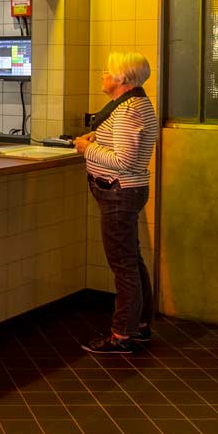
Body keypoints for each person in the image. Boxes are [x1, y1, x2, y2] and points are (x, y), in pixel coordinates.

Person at [73, 52, 160, 354]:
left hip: (118, 192)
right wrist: (97, 136)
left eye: (107, 71)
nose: (102, 75)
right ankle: (140, 325)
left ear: (122, 79)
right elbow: (124, 144)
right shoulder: (136, 104)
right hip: (127, 191)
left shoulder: (127, 111)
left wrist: (87, 148)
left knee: (123, 266)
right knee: (132, 261)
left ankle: (122, 335)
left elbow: (123, 160)